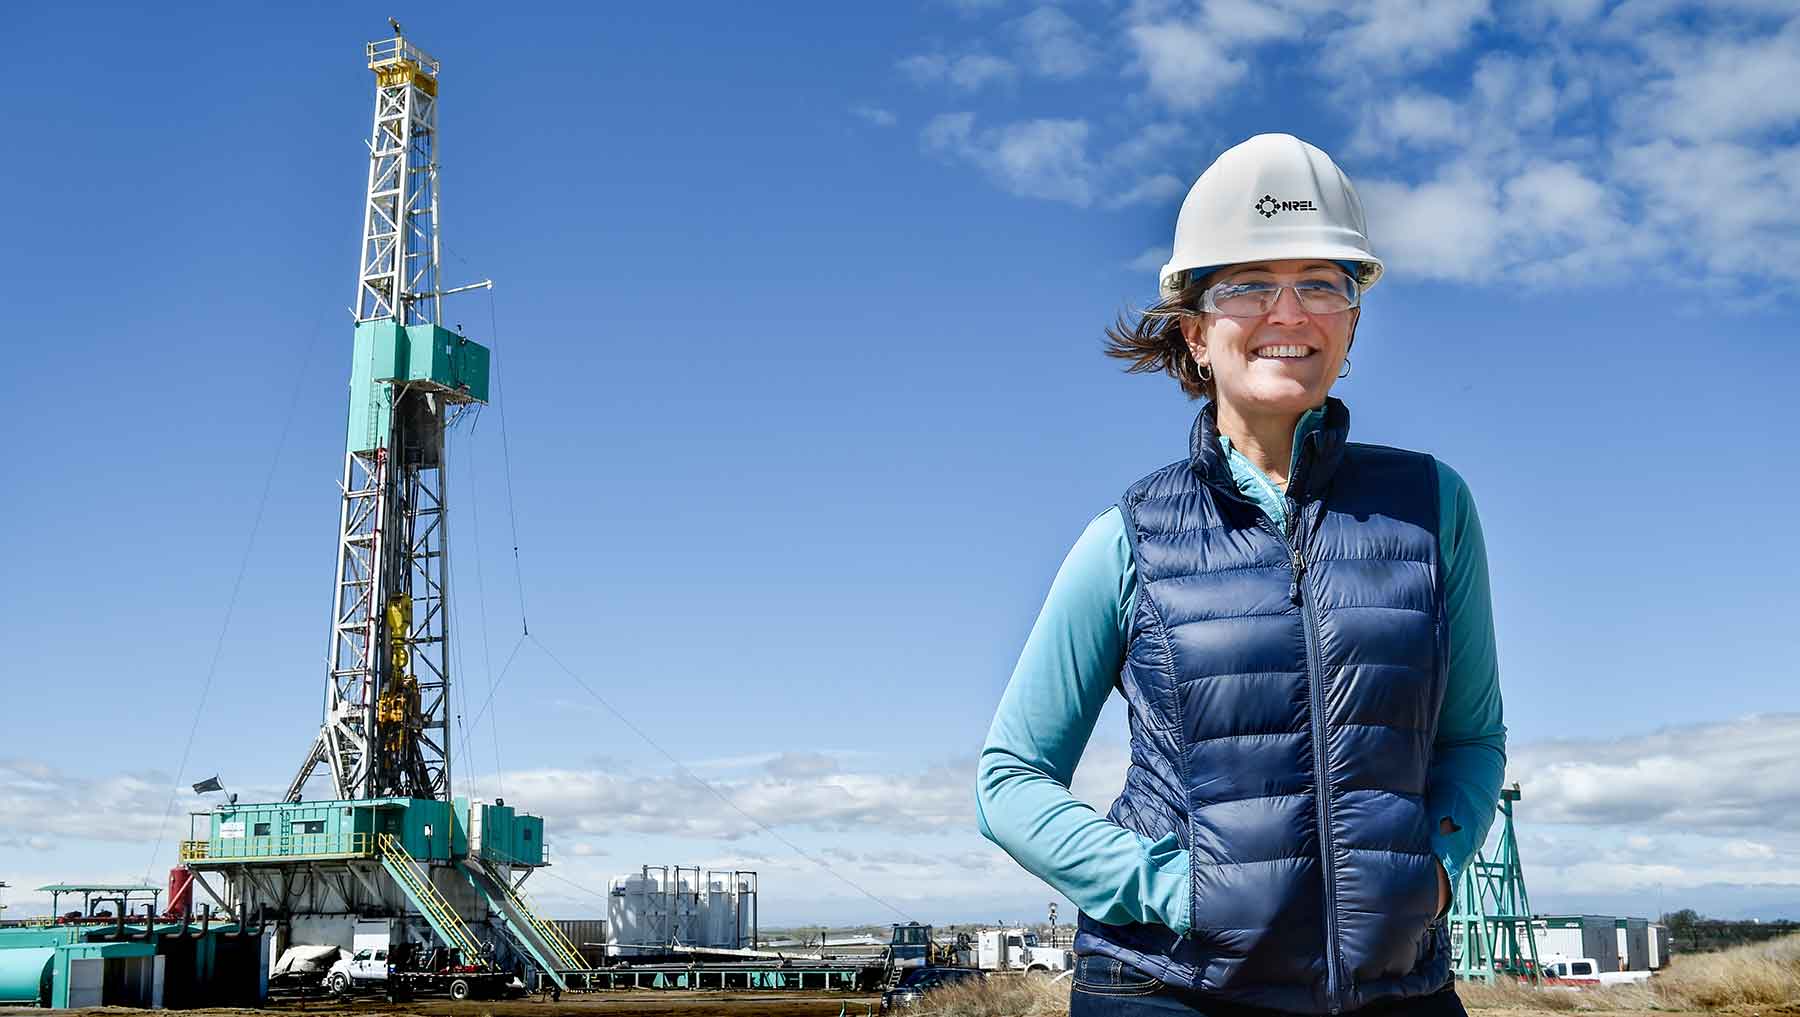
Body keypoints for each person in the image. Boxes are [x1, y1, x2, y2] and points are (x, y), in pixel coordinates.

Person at [974, 134, 1506, 1016]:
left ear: (1353, 320)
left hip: (1397, 990)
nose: (1288, 313)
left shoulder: (1434, 507)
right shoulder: (1130, 538)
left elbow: (1472, 741)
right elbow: (1010, 780)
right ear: (1195, 329)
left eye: (1322, 283)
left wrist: (1434, 873)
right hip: (1170, 988)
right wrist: (1174, 891)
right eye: (1249, 284)